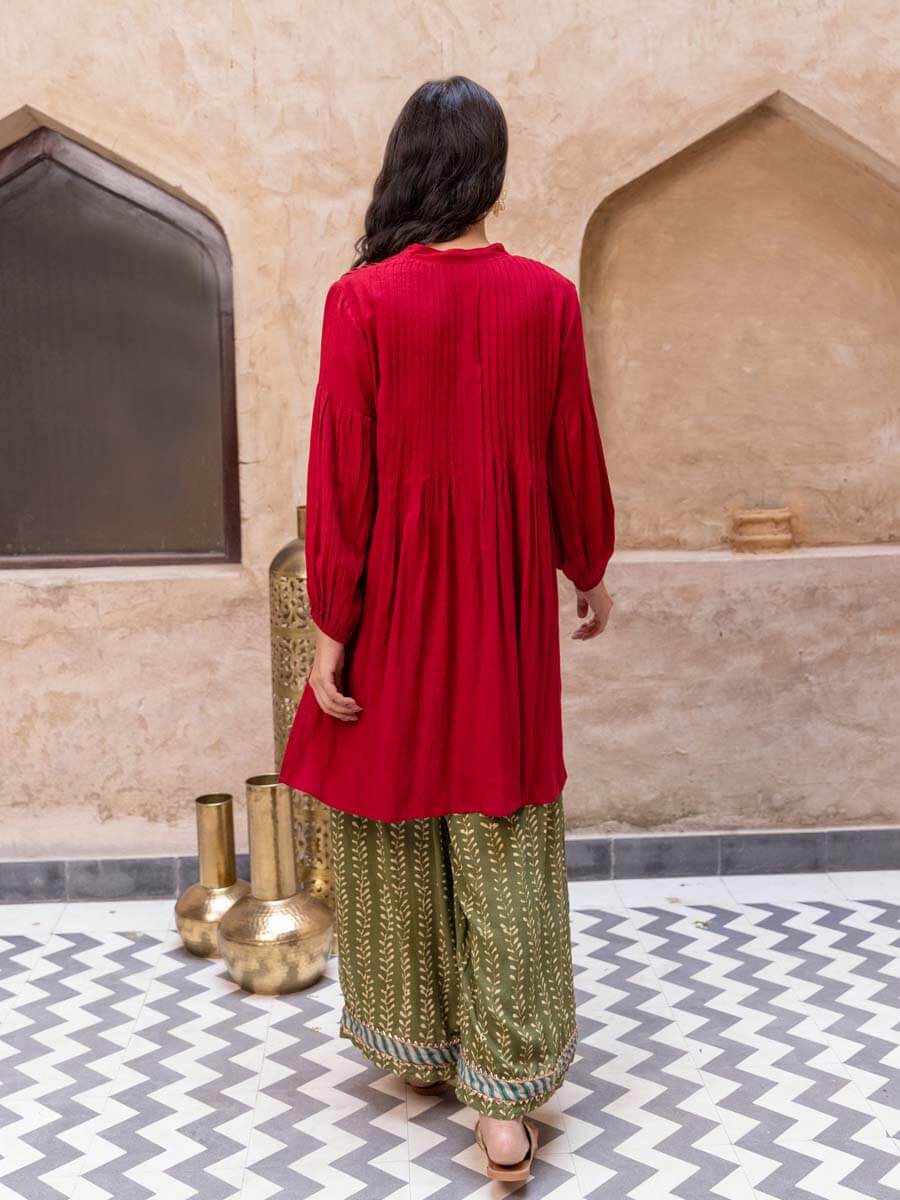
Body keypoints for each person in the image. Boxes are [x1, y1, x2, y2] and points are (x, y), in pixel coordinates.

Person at [278, 74, 615, 1181]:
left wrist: (333, 628)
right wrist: (586, 565)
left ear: (408, 168)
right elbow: (572, 448)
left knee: (399, 811)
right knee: (499, 813)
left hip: (395, 602)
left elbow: (342, 479)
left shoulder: (363, 300)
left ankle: (421, 1046)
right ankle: (504, 1103)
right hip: (503, 609)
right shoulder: (546, 299)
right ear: (493, 173)